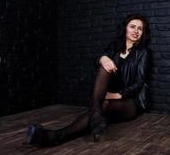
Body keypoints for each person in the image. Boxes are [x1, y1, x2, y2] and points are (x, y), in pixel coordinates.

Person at [24, 13, 151, 146]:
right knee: (104, 68)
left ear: (143, 33)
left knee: (101, 106)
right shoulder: (114, 48)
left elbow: (139, 81)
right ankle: (93, 119)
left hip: (131, 102)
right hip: (108, 99)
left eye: (140, 28)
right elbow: (98, 60)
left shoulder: (143, 52)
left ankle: (56, 135)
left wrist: (117, 95)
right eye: (132, 27)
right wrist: (103, 58)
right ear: (125, 28)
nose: (136, 31)